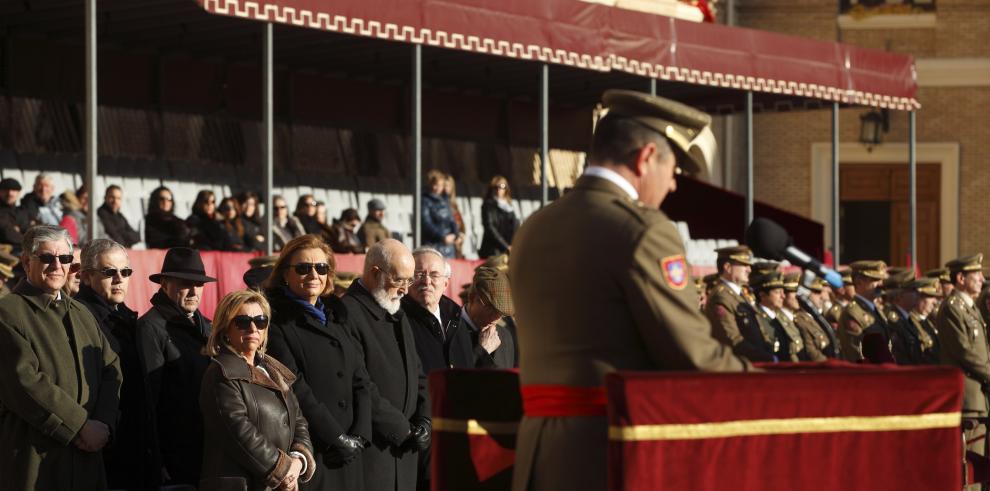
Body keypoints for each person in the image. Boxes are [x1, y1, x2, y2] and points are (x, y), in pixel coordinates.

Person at [509, 90, 752, 491]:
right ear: (645, 157)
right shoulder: (642, 230)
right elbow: (692, 355)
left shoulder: (535, 225)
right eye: (673, 168)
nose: (673, 185)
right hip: (610, 455)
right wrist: (762, 384)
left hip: (538, 456)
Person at [0, 225, 122, 490]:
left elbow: (111, 369)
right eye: (46, 258)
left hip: (87, 461)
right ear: (25, 262)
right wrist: (80, 427)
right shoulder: (7, 312)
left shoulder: (81, 312)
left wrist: (102, 424)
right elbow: (24, 383)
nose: (57, 265)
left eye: (65, 258)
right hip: (35, 464)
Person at [264, 235, 373, 490]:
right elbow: (295, 386)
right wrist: (336, 437)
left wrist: (360, 434)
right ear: (284, 275)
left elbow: (361, 378)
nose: (313, 274)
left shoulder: (337, 317)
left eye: (321, 268)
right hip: (315, 450)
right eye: (303, 268)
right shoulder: (277, 322)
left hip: (352, 451)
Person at [199, 289, 317, 491]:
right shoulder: (221, 373)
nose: (253, 328)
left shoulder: (274, 369)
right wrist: (283, 470)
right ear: (226, 329)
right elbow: (239, 432)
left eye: (260, 321)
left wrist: (298, 461)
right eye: (243, 322)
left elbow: (298, 421)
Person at [342, 239, 430, 491]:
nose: (405, 289)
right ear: (374, 273)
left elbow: (418, 374)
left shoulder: (397, 312)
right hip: (375, 453)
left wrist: (425, 420)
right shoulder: (348, 313)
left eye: (409, 280)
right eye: (399, 280)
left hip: (405, 457)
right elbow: (360, 383)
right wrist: (401, 429)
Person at [74, 238, 156, 490]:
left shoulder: (126, 318)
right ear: (86, 277)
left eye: (125, 272)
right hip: (101, 450)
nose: (119, 279)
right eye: (109, 272)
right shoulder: (78, 317)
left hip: (135, 445)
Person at [136, 247, 217, 487]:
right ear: (164, 284)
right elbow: (149, 400)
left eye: (199, 284)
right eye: (185, 283)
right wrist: (156, 458)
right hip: (175, 455)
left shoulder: (209, 327)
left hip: (208, 450)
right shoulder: (150, 327)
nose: (194, 291)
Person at [937, 254, 990, 473]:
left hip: (979, 395)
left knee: (980, 467)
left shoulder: (970, 307)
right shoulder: (952, 308)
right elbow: (964, 352)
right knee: (968, 467)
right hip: (968, 396)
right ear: (960, 278)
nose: (981, 279)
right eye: (975, 274)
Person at [705, 246, 770, 360]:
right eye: (744, 265)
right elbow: (733, 340)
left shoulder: (740, 295)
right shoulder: (721, 297)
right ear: (728, 267)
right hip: (741, 366)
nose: (749, 269)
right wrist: (765, 357)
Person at [460, 266, 517, 369]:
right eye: (491, 308)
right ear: (472, 298)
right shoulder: (449, 329)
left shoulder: (505, 336)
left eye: (501, 312)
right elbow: (451, 379)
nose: (496, 317)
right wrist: (482, 351)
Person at [838, 260, 888, 362]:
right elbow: (858, 355)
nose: (880, 284)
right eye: (875, 280)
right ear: (859, 282)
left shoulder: (876, 310)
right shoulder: (852, 313)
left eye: (881, 280)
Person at [794, 278, 841, 359]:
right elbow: (811, 352)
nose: (822, 297)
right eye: (816, 292)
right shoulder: (801, 321)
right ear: (805, 295)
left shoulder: (820, 317)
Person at [479, 175, 520, 259]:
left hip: (508, 250)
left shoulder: (509, 207)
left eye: (502, 187)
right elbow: (490, 228)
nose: (499, 190)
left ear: (506, 189)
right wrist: (505, 246)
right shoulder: (488, 205)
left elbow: (515, 227)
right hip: (493, 251)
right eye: (496, 187)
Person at [421, 170, 458, 259]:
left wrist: (455, 234)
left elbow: (452, 220)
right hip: (434, 245)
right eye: (435, 184)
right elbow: (426, 223)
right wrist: (442, 237)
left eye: (440, 185)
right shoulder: (425, 200)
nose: (437, 188)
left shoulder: (445, 200)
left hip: (449, 246)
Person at [908, 277, 940, 364]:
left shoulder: (928, 322)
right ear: (917, 297)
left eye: (936, 297)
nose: (935, 302)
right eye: (930, 296)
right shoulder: (909, 322)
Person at [0, 178, 30, 252]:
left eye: (13, 190)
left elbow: (32, 229)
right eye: (5, 190)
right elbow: (6, 232)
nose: (10, 193)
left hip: (24, 250)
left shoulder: (22, 211)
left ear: (19, 193)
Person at [444, 174, 466, 259]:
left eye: (448, 186)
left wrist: (460, 236)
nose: (446, 188)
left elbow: (461, 226)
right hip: (445, 243)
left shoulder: (454, 205)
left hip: (455, 244)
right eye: (444, 185)